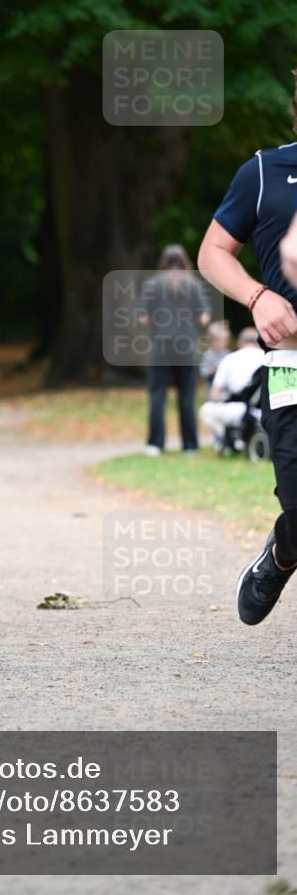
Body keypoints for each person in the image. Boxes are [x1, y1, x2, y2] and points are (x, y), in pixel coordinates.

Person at [198, 70, 297, 625]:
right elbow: (212, 252)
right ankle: (284, 551)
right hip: (290, 364)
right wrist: (257, 297)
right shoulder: (264, 170)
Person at [139, 244, 211, 456]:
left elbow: (143, 317)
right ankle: (190, 446)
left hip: (160, 347)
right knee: (187, 398)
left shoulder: (153, 284)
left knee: (157, 396)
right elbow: (204, 316)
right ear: (184, 262)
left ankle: (155, 445)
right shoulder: (193, 284)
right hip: (186, 347)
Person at [198, 328, 264, 445]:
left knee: (206, 410)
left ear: (239, 343)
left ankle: (227, 438)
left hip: (238, 410)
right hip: (264, 411)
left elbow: (214, 394)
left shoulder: (229, 359)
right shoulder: (266, 358)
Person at [199, 320, 231, 393]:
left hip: (226, 389)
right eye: (219, 341)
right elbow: (203, 373)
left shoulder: (228, 354)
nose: (222, 344)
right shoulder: (207, 355)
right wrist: (213, 370)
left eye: (224, 341)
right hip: (211, 388)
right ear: (211, 341)